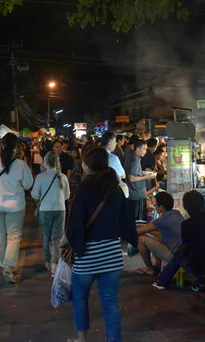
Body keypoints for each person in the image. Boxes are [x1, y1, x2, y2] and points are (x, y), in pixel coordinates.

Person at [65, 146, 138, 342]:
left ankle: (82, 339)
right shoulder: (115, 188)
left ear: (87, 164)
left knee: (80, 299)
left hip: (87, 255)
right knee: (110, 304)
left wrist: (67, 240)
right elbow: (127, 219)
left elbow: (75, 221)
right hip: (112, 255)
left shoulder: (84, 188)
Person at [0, 133, 34, 283]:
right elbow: (28, 184)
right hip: (15, 206)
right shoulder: (21, 164)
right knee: (14, 236)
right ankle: (9, 266)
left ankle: (3, 263)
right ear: (15, 146)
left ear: (0, 145)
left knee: (0, 234)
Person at [154, 190, 205, 290]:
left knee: (178, 258)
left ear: (187, 207)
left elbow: (185, 247)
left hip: (200, 266)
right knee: (194, 258)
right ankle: (198, 283)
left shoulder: (187, 224)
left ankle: (161, 282)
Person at [31, 151, 70, 276]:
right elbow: (67, 195)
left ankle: (48, 263)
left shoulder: (41, 177)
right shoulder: (62, 177)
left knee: (46, 237)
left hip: (45, 210)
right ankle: (56, 265)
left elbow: (34, 194)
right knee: (57, 238)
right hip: (60, 209)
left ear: (46, 162)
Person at [134, 192, 184, 276]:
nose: (154, 207)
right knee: (152, 236)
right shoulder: (177, 214)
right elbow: (152, 228)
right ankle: (157, 265)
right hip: (182, 252)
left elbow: (138, 232)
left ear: (161, 207)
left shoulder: (163, 219)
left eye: (155, 205)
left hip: (174, 255)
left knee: (140, 239)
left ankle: (149, 269)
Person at [125, 139, 156, 224]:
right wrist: (146, 176)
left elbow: (133, 173)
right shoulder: (135, 160)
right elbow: (132, 178)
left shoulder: (131, 156)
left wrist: (142, 173)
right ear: (138, 149)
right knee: (138, 222)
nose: (146, 151)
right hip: (137, 194)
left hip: (133, 193)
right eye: (144, 149)